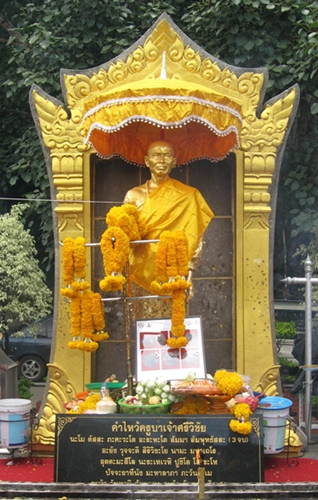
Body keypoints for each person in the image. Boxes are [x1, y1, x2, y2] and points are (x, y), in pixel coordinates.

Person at [123, 141, 214, 301]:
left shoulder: (188, 196)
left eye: (167, 155)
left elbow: (195, 239)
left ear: (174, 161)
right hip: (140, 273)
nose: (162, 160)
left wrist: (189, 275)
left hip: (175, 275)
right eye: (157, 155)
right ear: (147, 160)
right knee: (144, 324)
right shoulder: (133, 195)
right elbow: (124, 236)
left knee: (174, 324)